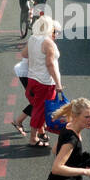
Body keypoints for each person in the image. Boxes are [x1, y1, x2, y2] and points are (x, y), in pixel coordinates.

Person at [23, 14, 62, 148]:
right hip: (45, 82)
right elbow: (50, 64)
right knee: (41, 110)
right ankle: (33, 138)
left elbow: (24, 54)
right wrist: (58, 83)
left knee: (38, 108)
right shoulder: (47, 42)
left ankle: (40, 131)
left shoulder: (33, 38)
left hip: (32, 78)